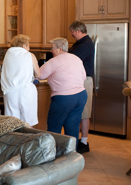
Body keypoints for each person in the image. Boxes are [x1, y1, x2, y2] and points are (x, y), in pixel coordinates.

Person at [38, 37, 87, 149]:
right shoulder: (76, 58)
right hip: (80, 95)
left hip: (64, 98)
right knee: (72, 126)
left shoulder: (54, 61)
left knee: (54, 127)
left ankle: (51, 154)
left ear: (60, 49)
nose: (51, 50)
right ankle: (71, 155)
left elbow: (40, 74)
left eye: (52, 48)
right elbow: (83, 76)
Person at [0, 35, 40, 126]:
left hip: (10, 92)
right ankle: (29, 140)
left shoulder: (7, 55)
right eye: (28, 46)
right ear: (24, 46)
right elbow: (38, 74)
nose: (29, 48)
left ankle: (14, 140)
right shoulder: (30, 55)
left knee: (12, 123)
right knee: (28, 123)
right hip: (26, 91)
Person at [69, 20, 94, 154]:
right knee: (79, 112)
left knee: (84, 113)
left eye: (72, 32)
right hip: (79, 80)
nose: (72, 34)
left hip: (85, 81)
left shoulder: (86, 44)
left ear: (78, 30)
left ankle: (84, 143)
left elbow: (72, 59)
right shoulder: (80, 43)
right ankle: (79, 141)